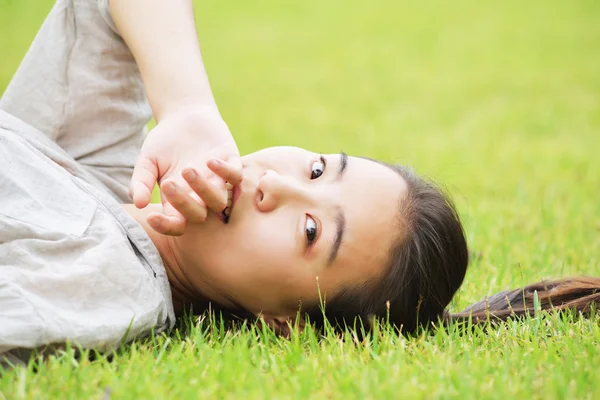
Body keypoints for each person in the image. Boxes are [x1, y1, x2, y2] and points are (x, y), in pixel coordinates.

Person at [0, 0, 598, 366]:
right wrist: (184, 104)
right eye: (317, 168)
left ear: (283, 320)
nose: (276, 188)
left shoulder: (106, 286)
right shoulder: (102, 174)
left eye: (311, 230)